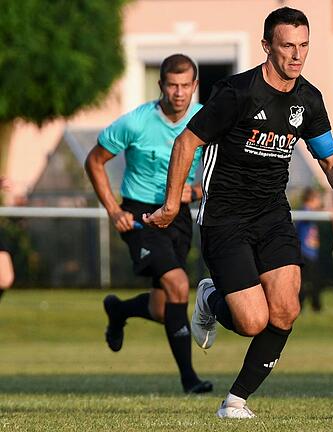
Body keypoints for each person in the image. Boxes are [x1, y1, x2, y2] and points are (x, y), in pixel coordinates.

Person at [144, 7, 333, 419]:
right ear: (267, 47)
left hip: (272, 214)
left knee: (286, 309)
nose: (297, 55)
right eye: (287, 46)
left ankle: (235, 402)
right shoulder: (237, 93)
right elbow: (185, 144)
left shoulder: (309, 99)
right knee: (251, 321)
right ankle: (211, 296)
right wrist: (173, 205)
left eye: (303, 45)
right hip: (225, 216)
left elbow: (331, 160)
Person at [84, 54, 212, 394]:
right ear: (161, 85)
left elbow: (225, 163)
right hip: (141, 214)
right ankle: (190, 380)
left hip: (180, 215)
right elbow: (94, 161)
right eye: (172, 85)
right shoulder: (136, 122)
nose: (179, 92)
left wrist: (197, 190)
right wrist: (113, 211)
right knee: (179, 284)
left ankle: (119, 310)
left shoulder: (205, 119)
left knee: (161, 307)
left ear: (195, 86)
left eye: (186, 85)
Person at [296, 187, 323, 312]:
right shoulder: (305, 211)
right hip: (305, 253)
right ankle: (303, 304)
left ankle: (315, 305)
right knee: (306, 282)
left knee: (314, 280)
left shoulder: (312, 213)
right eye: (317, 198)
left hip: (312, 254)